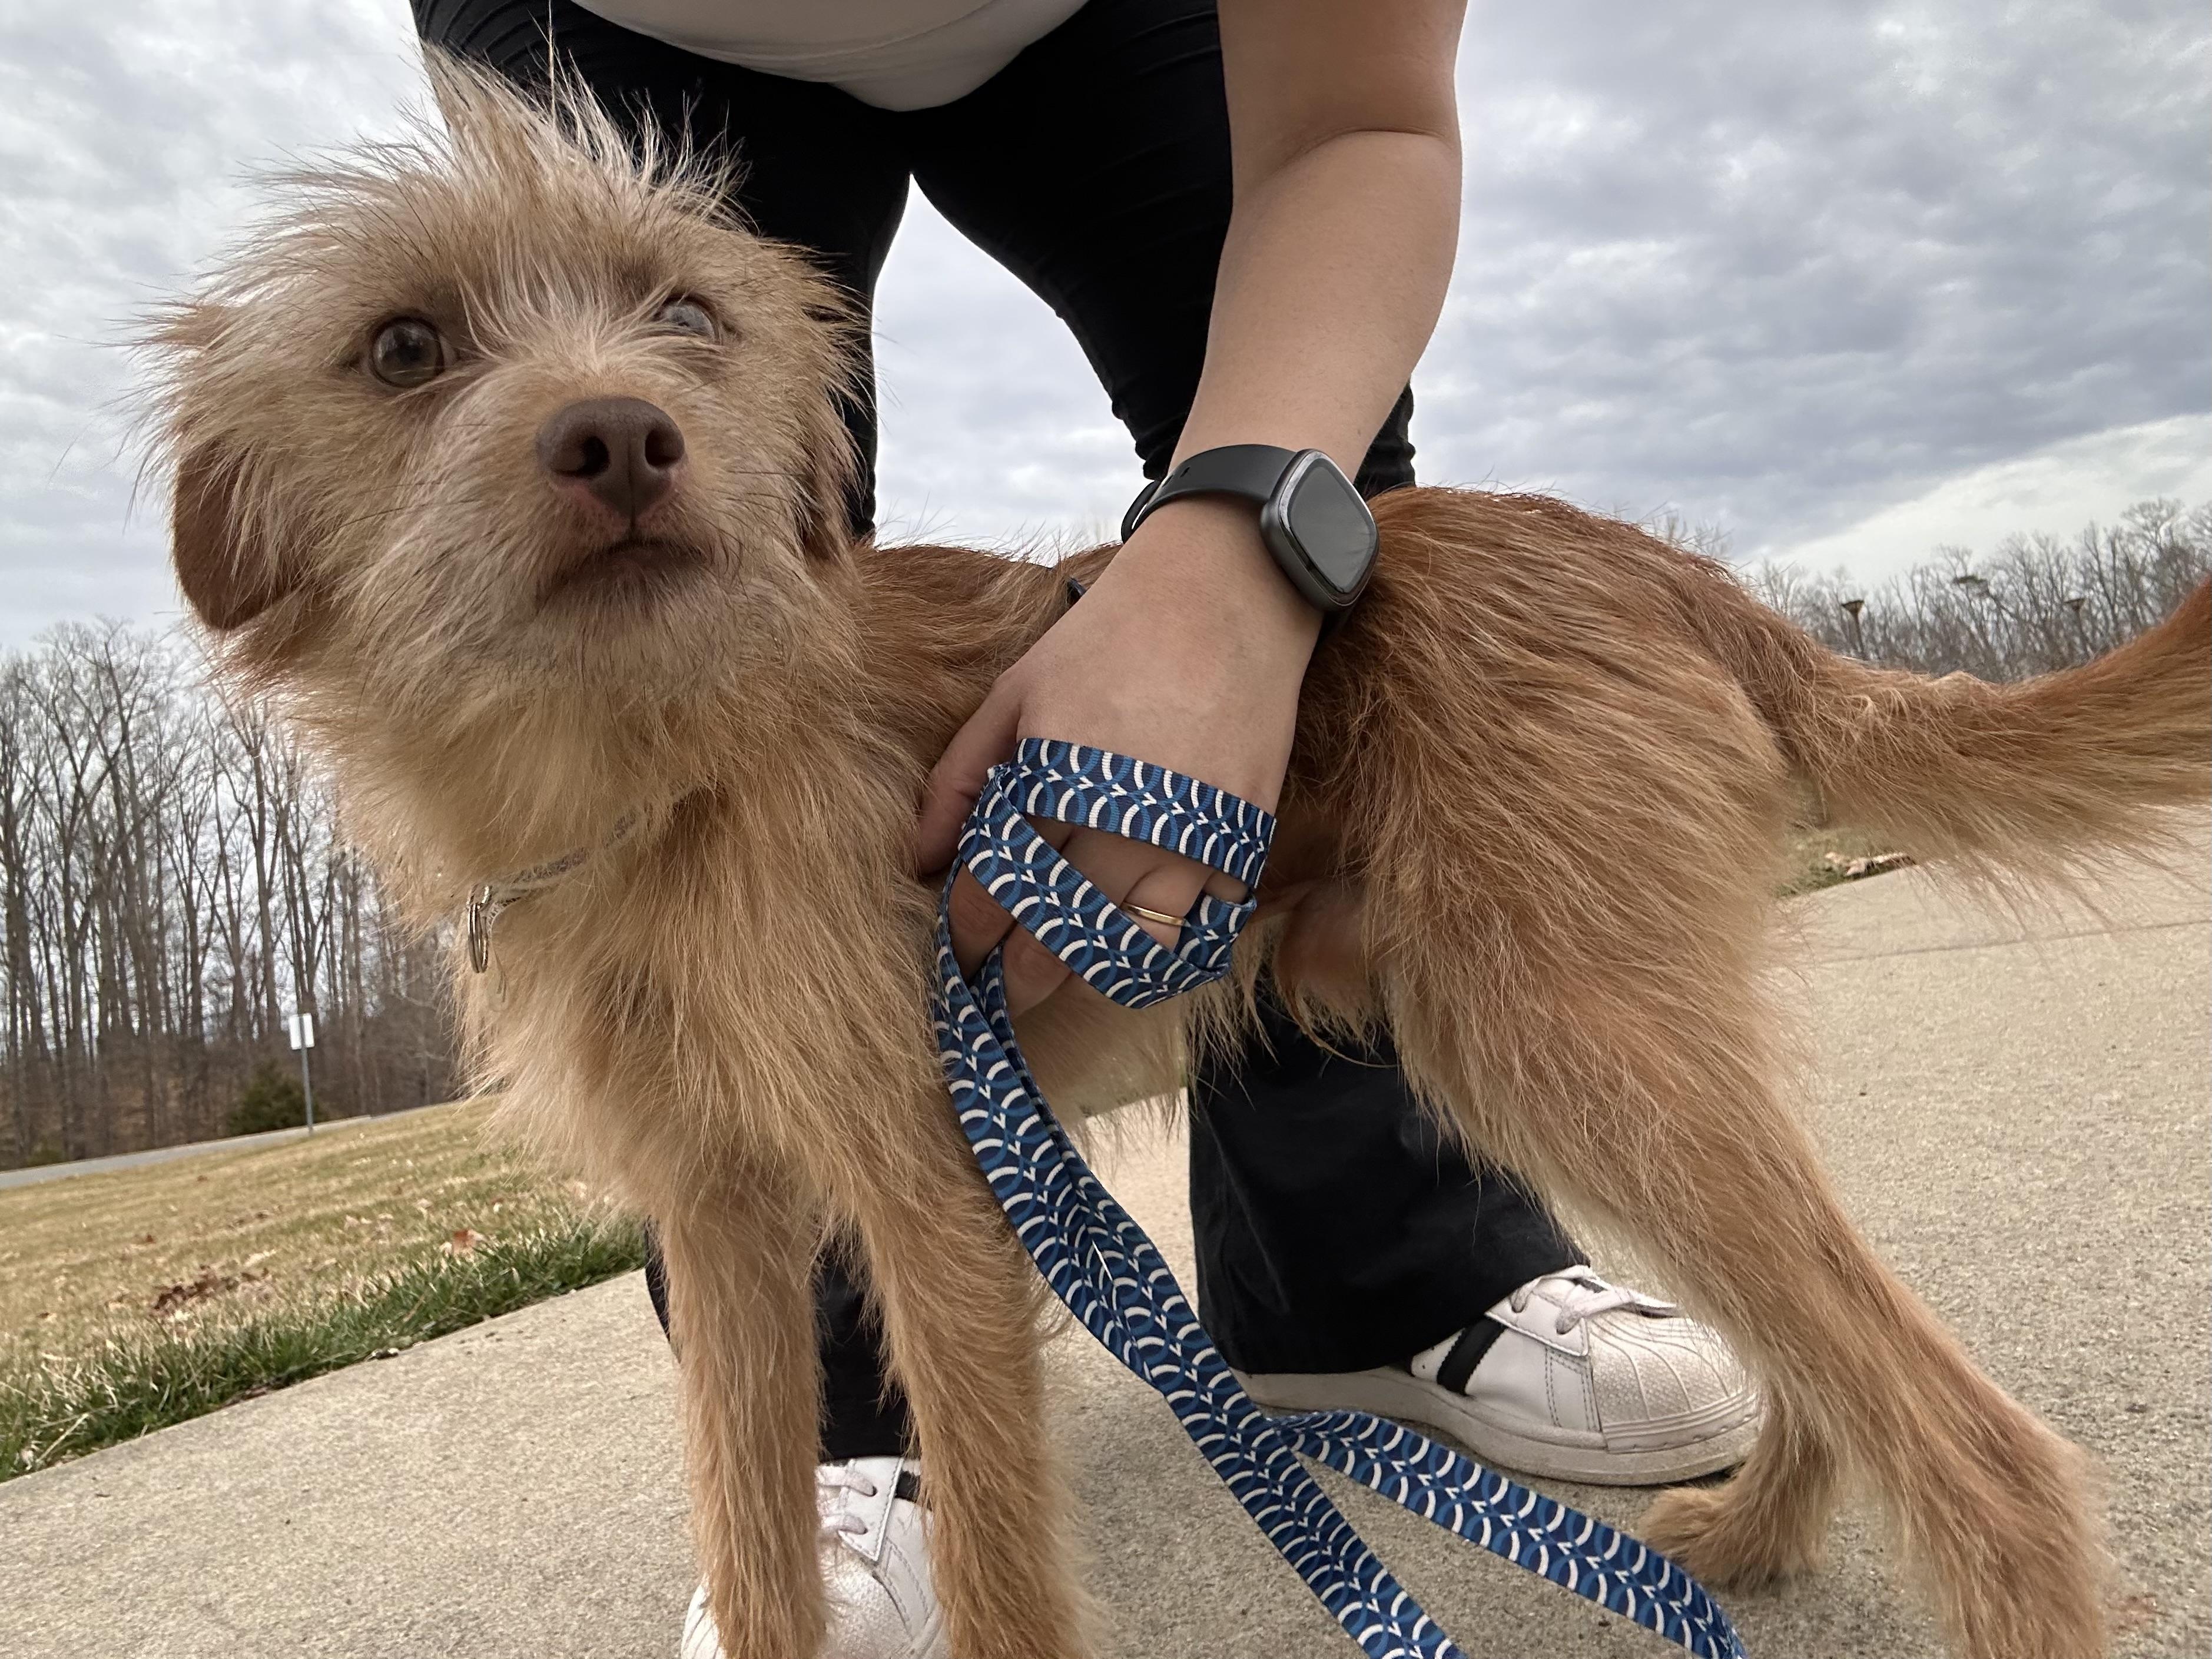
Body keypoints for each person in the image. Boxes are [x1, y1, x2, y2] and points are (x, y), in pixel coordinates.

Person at [412, 4, 1760, 1654]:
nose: (611, 408)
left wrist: (1233, 558)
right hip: (638, 31)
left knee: (1342, 521)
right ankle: (850, 1441)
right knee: (715, 596)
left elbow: (1356, 136)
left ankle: (1377, 1259)